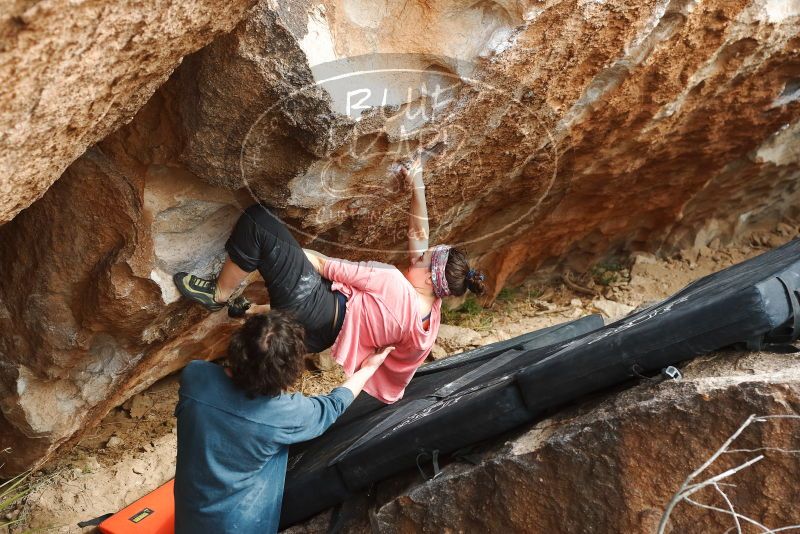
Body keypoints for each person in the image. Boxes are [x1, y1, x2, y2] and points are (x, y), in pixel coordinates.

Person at [173, 151, 486, 403]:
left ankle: (218, 294)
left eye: (424, 257)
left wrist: (290, 253)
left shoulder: (392, 284)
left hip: (312, 303)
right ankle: (250, 318)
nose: (418, 253)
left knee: (260, 223)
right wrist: (417, 183)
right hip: (320, 336)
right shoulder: (428, 321)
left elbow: (325, 266)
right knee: (277, 325)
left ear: (431, 279)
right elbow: (419, 233)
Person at [174, 310, 393, 534]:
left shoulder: (195, 377)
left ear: (236, 346)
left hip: (190, 519)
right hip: (243, 526)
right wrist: (369, 368)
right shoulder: (286, 413)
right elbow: (333, 405)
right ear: (290, 371)